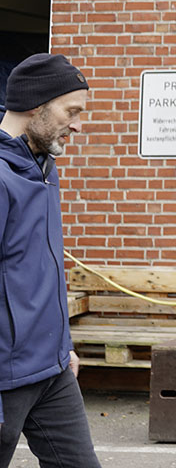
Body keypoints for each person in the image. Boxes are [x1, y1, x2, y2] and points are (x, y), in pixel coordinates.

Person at [0, 53, 100, 468]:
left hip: (53, 370)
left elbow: (41, 267)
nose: (79, 124)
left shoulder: (43, 167)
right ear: (34, 106)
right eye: (71, 111)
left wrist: (63, 345)